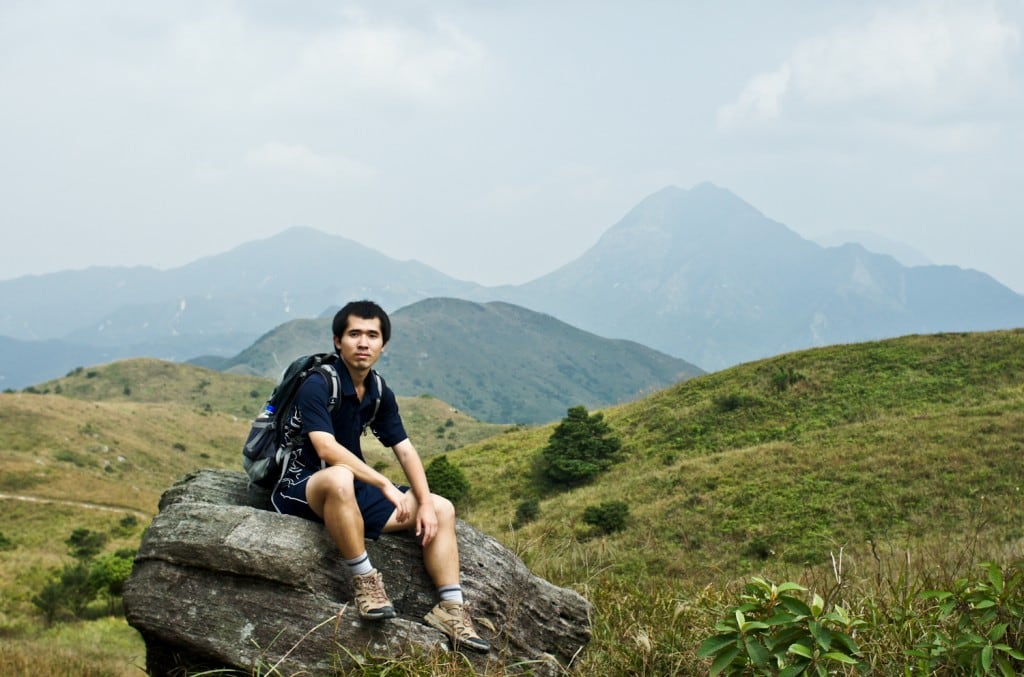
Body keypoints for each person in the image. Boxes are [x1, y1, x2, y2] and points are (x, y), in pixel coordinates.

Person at [270, 300, 490, 653]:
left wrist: (425, 504)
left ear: (383, 345)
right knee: (340, 477)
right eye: (354, 334)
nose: (363, 343)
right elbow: (325, 449)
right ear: (337, 340)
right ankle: (365, 583)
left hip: (351, 490)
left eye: (372, 335)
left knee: (442, 507)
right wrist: (383, 483)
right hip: (304, 485)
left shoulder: (377, 390)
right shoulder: (318, 384)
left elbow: (404, 448)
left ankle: (451, 609)